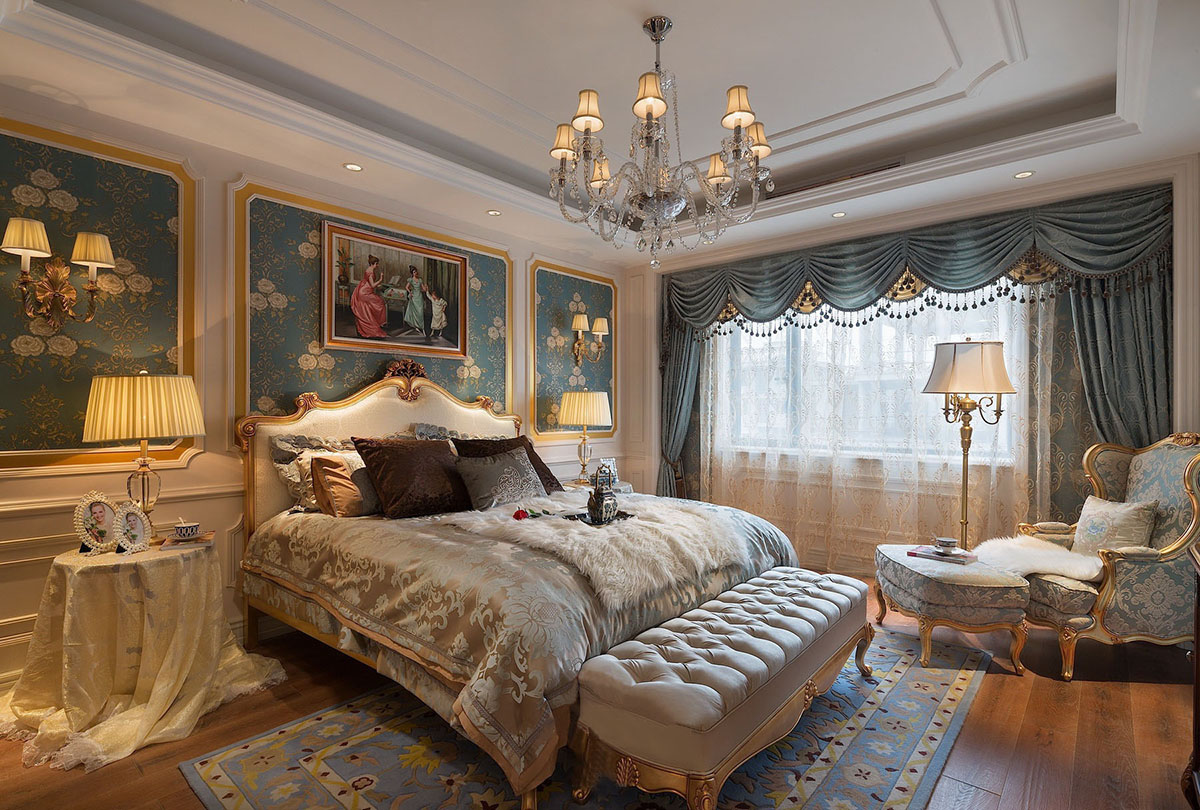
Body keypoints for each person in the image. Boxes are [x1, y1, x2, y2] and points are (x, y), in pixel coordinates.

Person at [350, 255, 388, 339]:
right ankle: (379, 323)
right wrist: (381, 279)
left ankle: (376, 322)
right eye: (377, 264)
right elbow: (373, 285)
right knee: (380, 302)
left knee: (373, 305)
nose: (377, 265)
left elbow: (369, 283)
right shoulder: (371, 272)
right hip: (365, 293)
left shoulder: (369, 270)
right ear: (373, 264)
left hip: (363, 290)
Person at [403, 266, 426, 336]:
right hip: (414, 297)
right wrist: (410, 292)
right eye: (414, 272)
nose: (416, 273)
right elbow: (406, 287)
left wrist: (425, 288)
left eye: (416, 271)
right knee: (415, 312)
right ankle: (416, 326)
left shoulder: (420, 280)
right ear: (412, 273)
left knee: (420, 312)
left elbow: (423, 289)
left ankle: (422, 327)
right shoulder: (411, 280)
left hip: (419, 297)